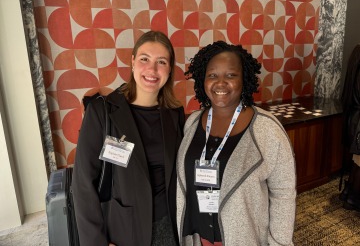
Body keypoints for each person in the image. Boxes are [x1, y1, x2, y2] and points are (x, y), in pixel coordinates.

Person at [176, 41, 297, 245]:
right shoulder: (193, 122)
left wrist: (279, 243)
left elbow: (283, 194)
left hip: (243, 237)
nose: (220, 83)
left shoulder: (267, 130)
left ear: (244, 79)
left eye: (231, 75)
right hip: (196, 237)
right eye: (212, 75)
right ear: (202, 80)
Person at [72, 30, 185, 246]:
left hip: (170, 226)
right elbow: (83, 184)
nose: (152, 69)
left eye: (161, 62)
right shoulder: (102, 112)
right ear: (133, 62)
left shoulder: (174, 112)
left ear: (170, 69)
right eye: (144, 59)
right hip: (124, 230)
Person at [339, 44, 360, 211]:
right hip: (358, 120)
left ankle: (349, 192)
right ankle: (353, 196)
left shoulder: (357, 52)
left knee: (357, 160)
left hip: (354, 117)